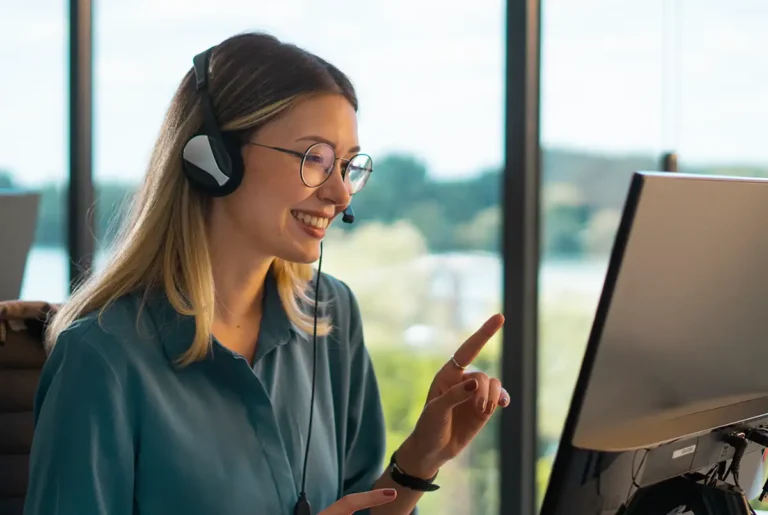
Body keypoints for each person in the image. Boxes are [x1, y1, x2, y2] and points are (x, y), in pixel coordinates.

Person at [23, 32, 509, 515]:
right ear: (215, 160)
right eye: (314, 158)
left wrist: (420, 460)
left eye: (347, 165)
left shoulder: (330, 316)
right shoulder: (102, 359)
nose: (341, 195)